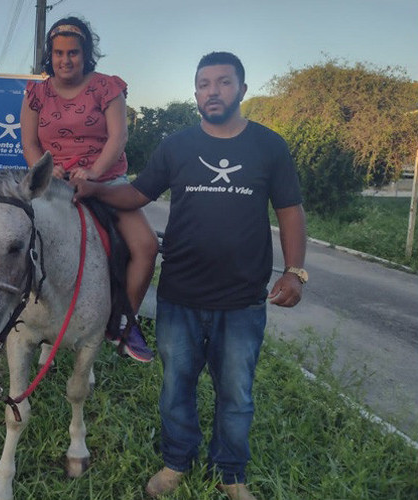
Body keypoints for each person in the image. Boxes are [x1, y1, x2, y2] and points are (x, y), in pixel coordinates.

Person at [70, 52, 307, 500]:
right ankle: (176, 463)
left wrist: (295, 272)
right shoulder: (176, 145)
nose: (212, 91)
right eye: (203, 84)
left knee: (236, 394)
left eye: (222, 82)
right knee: (176, 387)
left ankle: (231, 474)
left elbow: (290, 210)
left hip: (241, 301)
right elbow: (139, 193)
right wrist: (96, 189)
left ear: (242, 88)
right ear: (195, 91)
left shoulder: (268, 146)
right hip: (179, 294)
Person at [20, 16, 158, 363]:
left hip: (106, 180)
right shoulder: (35, 93)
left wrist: (93, 174)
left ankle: (124, 320)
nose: (65, 60)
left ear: (86, 54)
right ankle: (17, 319)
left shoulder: (107, 87)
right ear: (49, 55)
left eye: (74, 53)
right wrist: (49, 174)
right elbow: (30, 143)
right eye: (58, 53)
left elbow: (118, 137)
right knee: (18, 239)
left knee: (146, 246)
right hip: (54, 184)